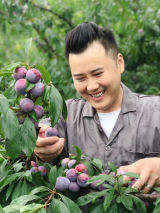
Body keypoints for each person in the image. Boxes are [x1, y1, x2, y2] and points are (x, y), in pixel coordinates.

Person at [34, 22, 160, 194]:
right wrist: (38, 142)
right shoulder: (66, 115)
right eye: (80, 78)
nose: (92, 86)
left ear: (119, 64)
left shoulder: (155, 112)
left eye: (98, 74)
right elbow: (40, 132)